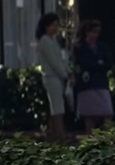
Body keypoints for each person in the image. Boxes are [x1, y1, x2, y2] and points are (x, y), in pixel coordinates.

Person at [35, 12, 73, 142]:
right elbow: (54, 62)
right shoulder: (45, 41)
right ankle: (59, 134)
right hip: (51, 77)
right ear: (46, 26)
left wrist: (68, 72)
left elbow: (61, 60)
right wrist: (65, 75)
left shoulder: (53, 40)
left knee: (57, 106)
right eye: (53, 25)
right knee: (57, 107)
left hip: (57, 77)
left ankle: (53, 132)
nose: (56, 28)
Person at [73, 19, 114, 134]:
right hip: (87, 85)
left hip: (101, 83)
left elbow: (108, 62)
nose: (95, 35)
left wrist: (99, 64)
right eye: (93, 32)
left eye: (97, 32)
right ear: (87, 32)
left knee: (107, 113)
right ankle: (90, 142)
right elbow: (83, 64)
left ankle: (107, 139)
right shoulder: (80, 48)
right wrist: (97, 63)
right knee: (89, 117)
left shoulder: (102, 46)